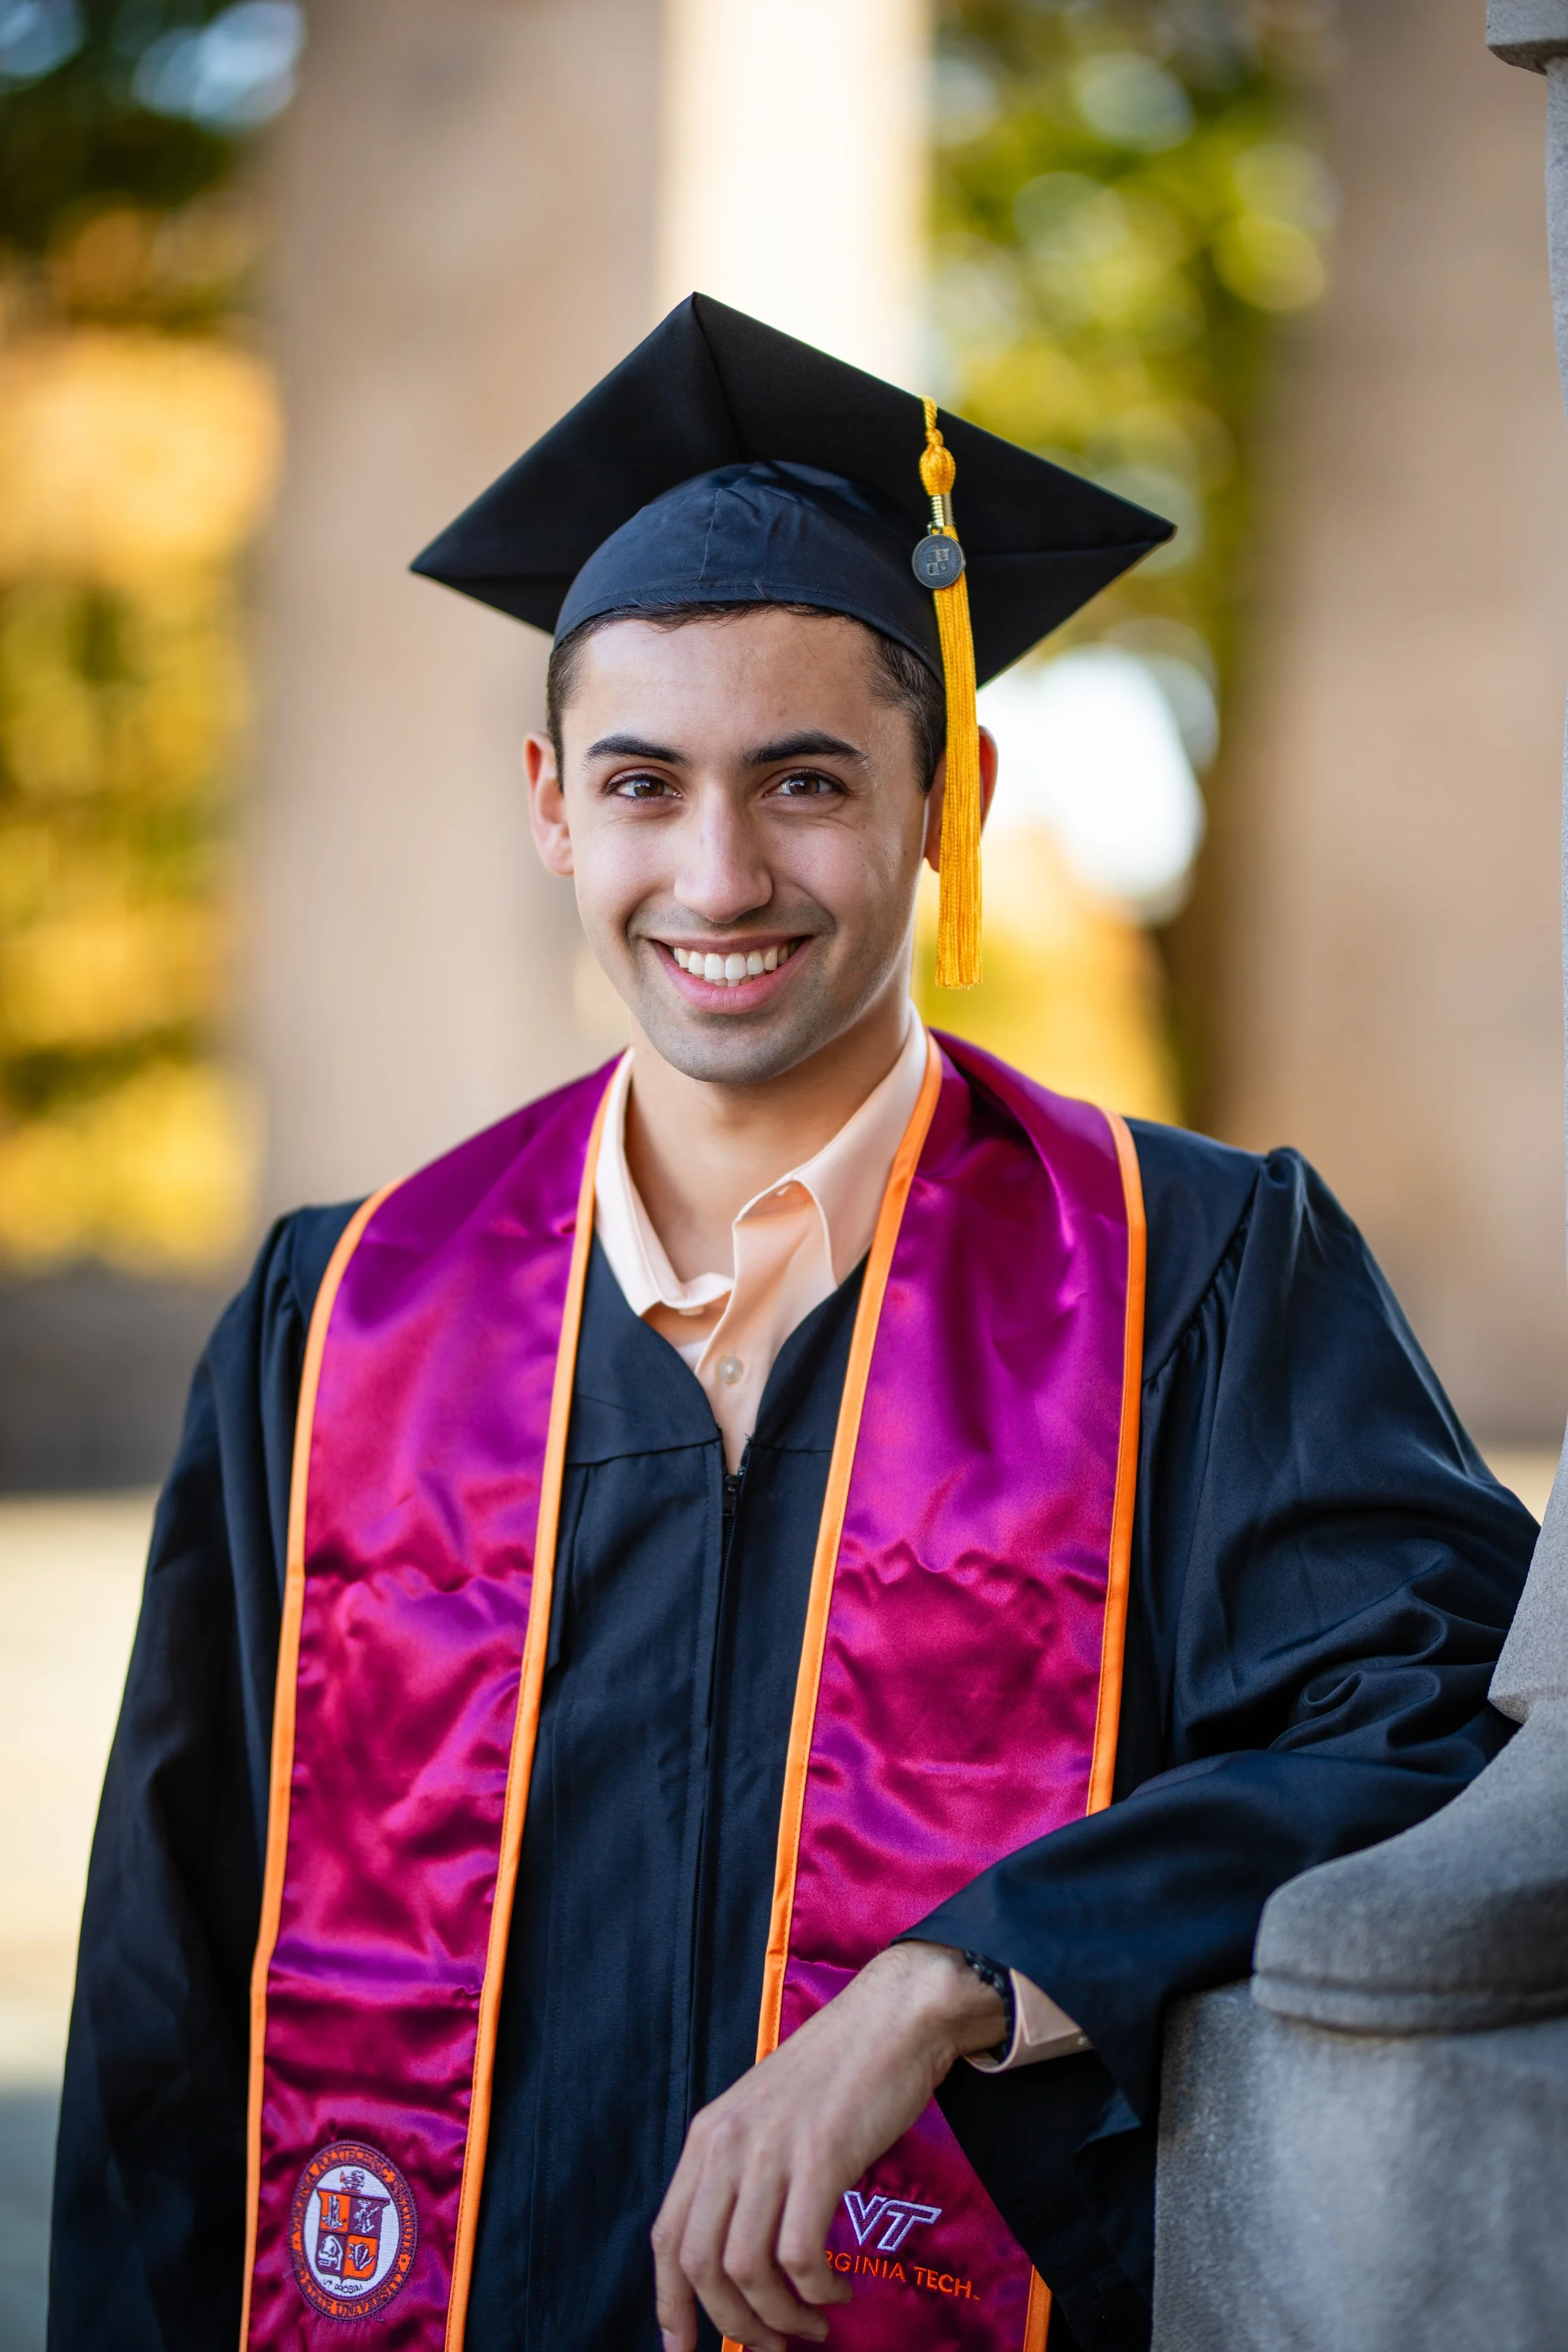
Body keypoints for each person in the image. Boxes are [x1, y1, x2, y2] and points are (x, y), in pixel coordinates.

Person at [50, 297, 1533, 2352]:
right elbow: (165, 1989)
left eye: (807, 778)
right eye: (644, 783)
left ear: (948, 793)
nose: (718, 872)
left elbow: (1433, 1716)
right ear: (554, 801)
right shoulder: (346, 1315)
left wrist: (962, 1970)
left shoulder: (1190, 1270)